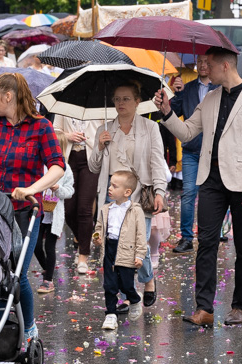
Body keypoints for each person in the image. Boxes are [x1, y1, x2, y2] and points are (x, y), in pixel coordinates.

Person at [155, 47, 242, 326]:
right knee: (206, 242)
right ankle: (204, 308)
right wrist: (167, 110)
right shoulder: (209, 98)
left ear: (224, 66)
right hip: (211, 179)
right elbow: (187, 133)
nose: (201, 69)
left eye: (207, 63)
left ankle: (239, 307)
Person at [0, 73, 66, 342]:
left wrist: (32, 189)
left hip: (24, 211)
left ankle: (28, 327)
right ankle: (0, 332)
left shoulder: (41, 127)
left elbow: (57, 166)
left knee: (15, 274)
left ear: (9, 97)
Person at [89, 81, 166, 311]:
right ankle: (124, 295)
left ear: (137, 101)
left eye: (126, 99)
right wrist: (99, 147)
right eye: (117, 99)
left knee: (137, 245)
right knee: (117, 249)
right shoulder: (105, 129)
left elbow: (157, 162)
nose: (120, 103)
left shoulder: (150, 128)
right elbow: (94, 167)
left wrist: (160, 191)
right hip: (113, 197)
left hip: (140, 195)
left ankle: (148, 279)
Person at [170, 55, 218, 254]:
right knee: (189, 193)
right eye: (201, 62)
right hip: (191, 150)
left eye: (208, 62)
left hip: (215, 151)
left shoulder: (220, 89)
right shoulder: (188, 88)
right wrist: (175, 94)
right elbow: (173, 112)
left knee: (215, 193)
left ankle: (215, 232)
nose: (203, 65)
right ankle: (187, 237)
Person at [93, 171, 147, 330]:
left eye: (114, 186)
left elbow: (140, 234)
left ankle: (135, 299)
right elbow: (99, 228)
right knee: (109, 285)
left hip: (127, 252)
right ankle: (110, 314)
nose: (109, 188)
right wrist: (97, 237)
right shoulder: (105, 209)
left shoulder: (135, 210)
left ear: (127, 192)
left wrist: (139, 255)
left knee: (126, 284)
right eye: (110, 185)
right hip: (109, 248)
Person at [53, 115, 101, 273]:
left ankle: (83, 255)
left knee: (85, 208)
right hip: (68, 158)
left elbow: (107, 130)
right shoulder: (64, 104)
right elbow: (55, 131)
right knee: (69, 208)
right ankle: (83, 237)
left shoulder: (98, 104)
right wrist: (68, 136)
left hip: (91, 158)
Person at [35, 158, 75, 294]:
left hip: (54, 214)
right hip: (38, 212)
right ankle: (47, 268)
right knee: (35, 244)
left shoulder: (64, 168)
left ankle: (48, 280)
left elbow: (70, 191)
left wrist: (58, 188)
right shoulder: (38, 164)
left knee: (49, 246)